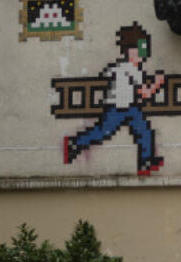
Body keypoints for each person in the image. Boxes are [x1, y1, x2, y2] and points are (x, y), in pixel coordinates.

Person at [63, 22, 167, 175]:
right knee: (103, 132)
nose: (143, 55)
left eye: (144, 50)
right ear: (129, 51)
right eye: (140, 50)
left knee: (143, 131)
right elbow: (145, 93)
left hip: (129, 107)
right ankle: (74, 143)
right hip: (118, 108)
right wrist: (158, 83)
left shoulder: (125, 68)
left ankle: (146, 161)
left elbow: (109, 74)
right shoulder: (129, 69)